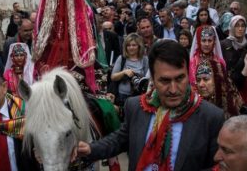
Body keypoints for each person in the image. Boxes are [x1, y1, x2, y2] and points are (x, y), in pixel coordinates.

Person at [77, 40, 224, 170]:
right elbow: (120, 140)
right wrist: (90, 149)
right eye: (165, 81)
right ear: (152, 79)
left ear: (188, 74)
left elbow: (216, 166)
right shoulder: (135, 107)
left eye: (180, 78)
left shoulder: (211, 117)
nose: (173, 89)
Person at [111, 33, 149, 106]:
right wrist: (124, 72)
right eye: (128, 45)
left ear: (139, 46)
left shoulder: (144, 59)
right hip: (123, 95)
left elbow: (147, 78)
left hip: (139, 96)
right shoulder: (121, 58)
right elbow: (113, 77)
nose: (131, 47)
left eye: (134, 45)